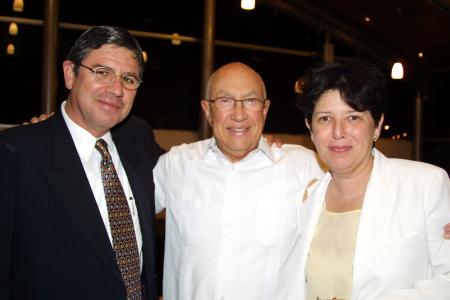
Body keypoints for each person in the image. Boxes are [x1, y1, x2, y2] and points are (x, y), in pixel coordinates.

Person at [0, 26, 162, 299]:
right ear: (69, 74)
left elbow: (196, 166)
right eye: (102, 72)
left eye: (129, 79)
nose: (116, 89)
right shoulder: (16, 153)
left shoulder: (138, 138)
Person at [153, 62, 324, 299]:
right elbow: (119, 217)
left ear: (264, 110)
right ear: (207, 110)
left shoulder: (306, 167)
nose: (239, 114)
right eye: (225, 100)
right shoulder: (175, 165)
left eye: (250, 101)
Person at [294, 59, 450, 300]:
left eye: (353, 118)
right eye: (325, 118)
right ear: (310, 128)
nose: (338, 132)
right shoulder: (306, 197)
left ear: (377, 126)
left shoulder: (425, 185)